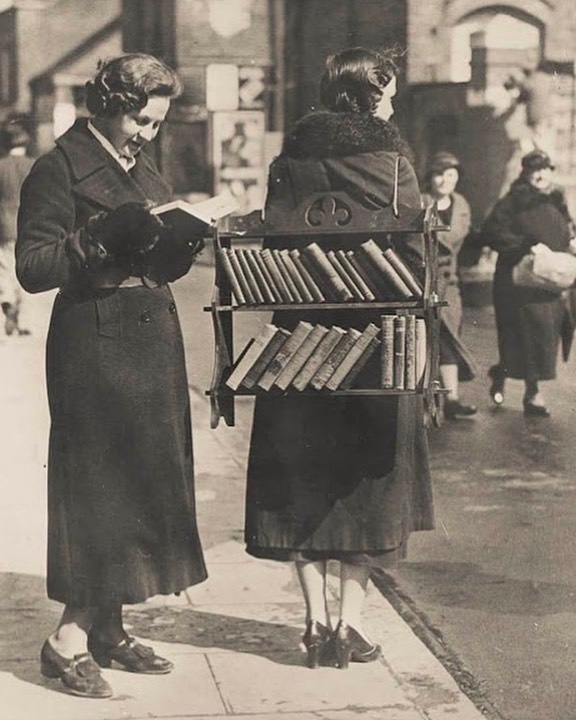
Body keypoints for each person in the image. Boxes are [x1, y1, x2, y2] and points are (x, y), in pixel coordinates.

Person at [16, 54, 207, 699]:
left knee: (144, 480)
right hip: (94, 347)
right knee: (97, 488)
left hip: (150, 342)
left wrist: (178, 245)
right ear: (108, 105)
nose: (148, 134)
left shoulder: (141, 165)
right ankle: (66, 640)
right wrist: (98, 234)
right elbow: (33, 266)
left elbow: (150, 251)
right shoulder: (57, 168)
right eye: (141, 121)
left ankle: (109, 627)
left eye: (156, 124)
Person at [244, 47, 434, 670]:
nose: (396, 102)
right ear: (371, 94)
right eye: (391, 92)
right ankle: (349, 627)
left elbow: (273, 235)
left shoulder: (289, 160)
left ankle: (314, 624)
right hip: (377, 343)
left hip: (298, 345)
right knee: (369, 487)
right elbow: (413, 254)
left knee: (301, 480)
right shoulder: (392, 163)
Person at [481, 149, 576, 416]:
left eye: (545, 169)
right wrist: (525, 246)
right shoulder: (513, 200)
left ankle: (523, 386)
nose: (540, 175)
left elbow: (567, 226)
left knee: (545, 336)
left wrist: (570, 241)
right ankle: (516, 384)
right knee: (519, 336)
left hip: (549, 281)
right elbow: (492, 231)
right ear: (525, 173)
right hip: (517, 281)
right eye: (534, 170)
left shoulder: (557, 198)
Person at [422, 151, 477, 420]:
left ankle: (451, 398)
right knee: (428, 338)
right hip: (423, 280)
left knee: (451, 338)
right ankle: (428, 398)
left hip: (450, 282)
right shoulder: (421, 202)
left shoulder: (462, 204)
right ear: (430, 177)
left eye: (451, 175)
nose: (445, 180)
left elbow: (460, 241)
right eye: (439, 174)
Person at [0, 121, 35, 336]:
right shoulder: (34, 165)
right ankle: (20, 313)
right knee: (25, 269)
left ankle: (8, 300)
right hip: (28, 226)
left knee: (4, 267)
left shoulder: (1, 166)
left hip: (4, 226)